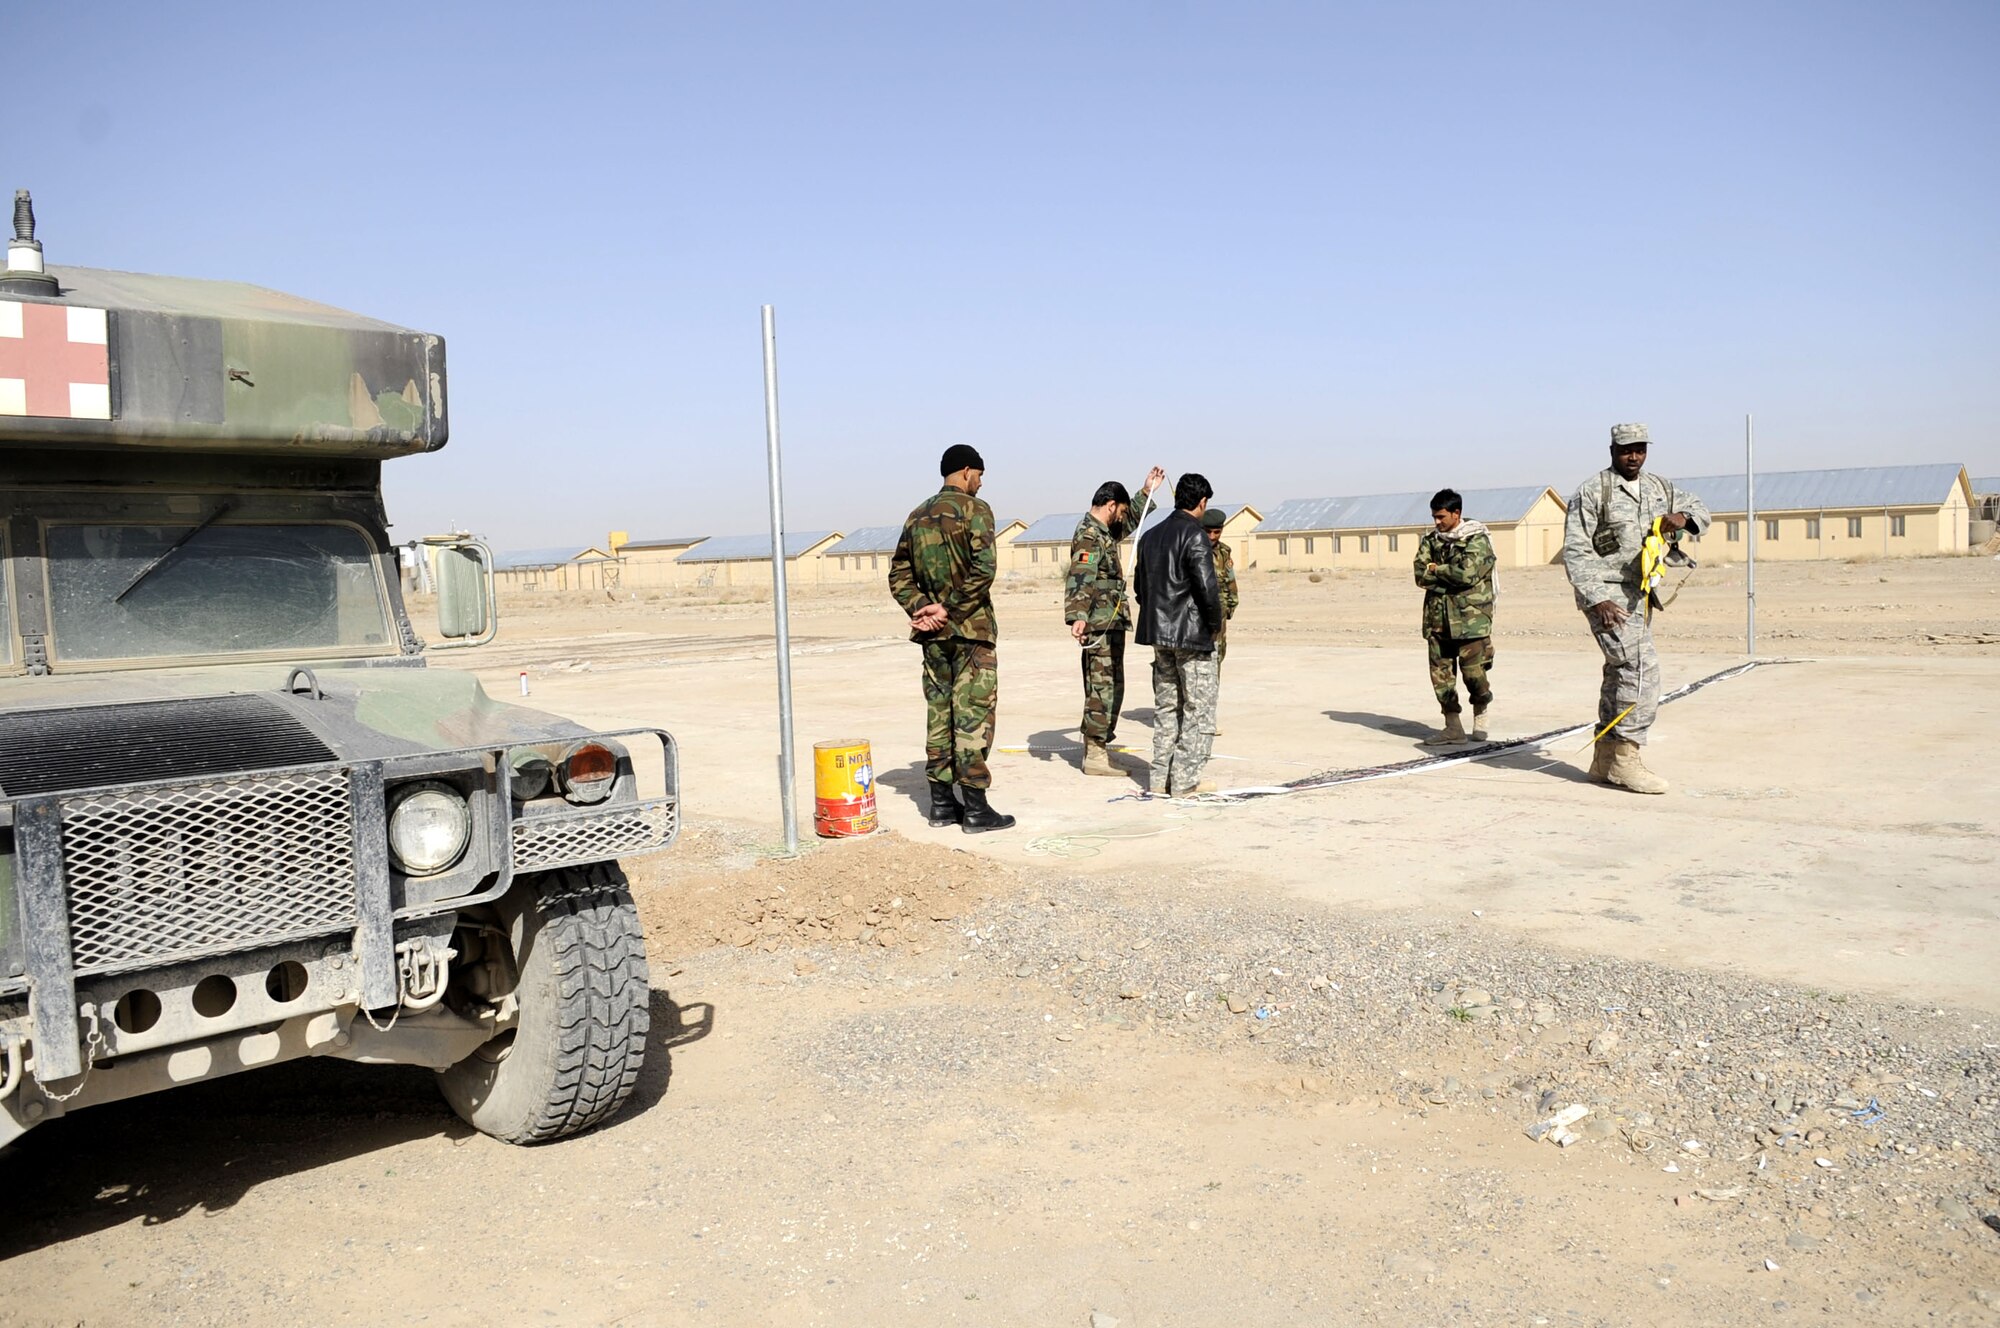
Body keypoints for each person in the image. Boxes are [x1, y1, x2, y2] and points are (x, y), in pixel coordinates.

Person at [1561, 423, 1712, 794]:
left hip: (1639, 594)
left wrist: (1683, 519)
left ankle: (1604, 761)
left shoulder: (1659, 487)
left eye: (1640, 449)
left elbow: (1700, 510)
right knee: (1641, 670)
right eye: (1627, 450)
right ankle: (1627, 759)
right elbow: (1575, 551)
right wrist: (1598, 600)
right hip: (1607, 597)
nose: (1634, 457)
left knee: (1619, 673)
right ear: (1612, 450)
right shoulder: (1593, 492)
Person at [888, 444, 1014, 831]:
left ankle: (941, 804)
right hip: (970, 631)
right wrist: (948, 609)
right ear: (965, 471)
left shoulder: (917, 515)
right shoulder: (976, 509)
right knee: (973, 716)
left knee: (940, 715)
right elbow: (984, 569)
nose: (980, 481)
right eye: (979, 474)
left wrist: (921, 607)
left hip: (933, 637)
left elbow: (898, 574)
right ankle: (975, 807)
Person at [1063, 468, 1167, 777]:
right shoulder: (1089, 534)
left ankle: (1101, 748)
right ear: (1110, 506)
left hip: (1110, 621)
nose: (1122, 517)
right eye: (1120, 511)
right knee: (1101, 688)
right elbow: (1081, 577)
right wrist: (1078, 616)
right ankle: (1094, 752)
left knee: (1113, 686)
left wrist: (1146, 492)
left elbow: (1131, 522)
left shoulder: (1104, 532)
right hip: (1098, 623)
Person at [1134, 473, 1223, 797]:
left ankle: (1160, 778)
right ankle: (1185, 781)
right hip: (1191, 637)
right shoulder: (1195, 536)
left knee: (1167, 708)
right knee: (1199, 710)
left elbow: (1140, 589)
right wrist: (1214, 626)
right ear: (1201, 503)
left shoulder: (1150, 536)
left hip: (1159, 636)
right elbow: (1207, 590)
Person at [1412, 488, 1496, 745]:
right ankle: (1453, 727)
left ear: (1456, 513)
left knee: (1474, 676)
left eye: (1441, 516)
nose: (1437, 522)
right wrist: (1446, 574)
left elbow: (1467, 575)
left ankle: (1481, 710)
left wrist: (1437, 570)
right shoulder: (1430, 541)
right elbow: (1420, 574)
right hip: (1438, 620)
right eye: (1434, 517)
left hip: (1471, 620)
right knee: (1441, 678)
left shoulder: (1477, 540)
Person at [1202, 507, 1239, 734]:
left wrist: (1232, 605)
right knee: (1200, 667)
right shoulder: (1194, 549)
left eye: (1217, 532)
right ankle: (1198, 718)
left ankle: (1208, 716)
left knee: (1216, 665)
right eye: (1209, 532)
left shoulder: (1224, 552)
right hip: (1199, 620)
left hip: (1220, 620)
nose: (1213, 537)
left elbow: (1230, 582)